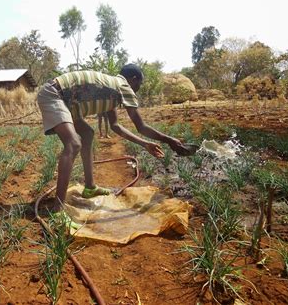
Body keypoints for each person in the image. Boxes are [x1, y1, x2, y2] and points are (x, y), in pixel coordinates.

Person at [37, 64, 195, 215]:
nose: (138, 88)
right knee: (73, 144)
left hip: (65, 100)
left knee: (87, 133)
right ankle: (58, 210)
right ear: (133, 79)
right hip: (55, 94)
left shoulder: (111, 89)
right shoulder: (123, 87)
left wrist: (145, 144)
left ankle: (90, 187)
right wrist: (169, 141)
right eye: (140, 83)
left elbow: (115, 126)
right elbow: (141, 126)